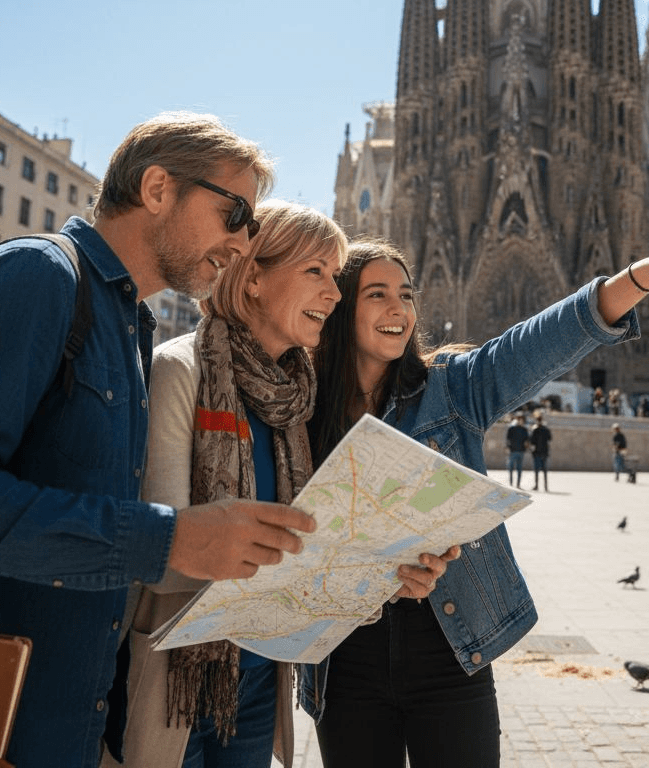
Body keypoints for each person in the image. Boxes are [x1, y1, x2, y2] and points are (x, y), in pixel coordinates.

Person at [0, 113, 321, 768]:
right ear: (158, 187)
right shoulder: (34, 277)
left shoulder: (127, 324)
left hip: (58, 729)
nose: (244, 242)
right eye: (235, 212)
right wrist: (172, 539)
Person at [301, 224, 649, 768]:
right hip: (345, 661)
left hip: (450, 649)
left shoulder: (452, 388)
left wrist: (646, 275)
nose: (399, 308)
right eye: (378, 294)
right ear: (342, 308)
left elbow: (540, 343)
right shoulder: (302, 410)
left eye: (407, 294)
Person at [110, 201, 452, 768]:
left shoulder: (295, 395)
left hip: (259, 679)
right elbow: (161, 555)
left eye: (336, 277)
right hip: (179, 675)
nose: (335, 295)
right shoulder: (181, 371)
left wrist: (382, 577)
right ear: (253, 280)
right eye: (316, 272)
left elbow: (314, 550)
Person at [529, 411, 553, 491]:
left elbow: (532, 441)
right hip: (544, 452)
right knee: (544, 470)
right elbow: (550, 438)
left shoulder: (535, 430)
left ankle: (537, 486)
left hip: (537, 453)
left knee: (537, 470)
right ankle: (545, 486)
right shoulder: (545, 429)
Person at [505, 413, 529, 488]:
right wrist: (507, 447)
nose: (520, 421)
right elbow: (507, 439)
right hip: (512, 451)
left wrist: (526, 445)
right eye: (519, 419)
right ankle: (511, 484)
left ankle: (518, 484)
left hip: (521, 451)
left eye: (522, 420)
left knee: (519, 468)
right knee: (511, 467)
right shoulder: (511, 429)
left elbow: (527, 440)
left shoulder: (524, 430)